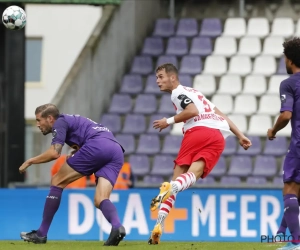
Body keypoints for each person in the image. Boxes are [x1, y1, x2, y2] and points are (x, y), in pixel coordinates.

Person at [148, 63, 252, 244]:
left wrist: (168, 121)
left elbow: (192, 111)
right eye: (157, 78)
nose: (158, 81)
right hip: (217, 135)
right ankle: (159, 224)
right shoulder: (196, 93)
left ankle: (160, 222)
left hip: (197, 132)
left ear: (173, 77)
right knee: (191, 176)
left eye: (161, 77)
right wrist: (240, 135)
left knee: (175, 181)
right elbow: (222, 116)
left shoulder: (177, 93)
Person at [19, 104, 126, 246]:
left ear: (50, 118)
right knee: (100, 199)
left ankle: (41, 234)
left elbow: (54, 153)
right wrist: (78, 151)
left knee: (57, 181)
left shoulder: (59, 122)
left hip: (98, 145)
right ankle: (117, 226)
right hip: (116, 149)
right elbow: (89, 134)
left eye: (39, 120)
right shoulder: (71, 120)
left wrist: (30, 161)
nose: (38, 124)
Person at [267, 37, 300, 250]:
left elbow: (286, 115)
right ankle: (284, 234)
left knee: (289, 188)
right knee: (297, 192)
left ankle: (296, 242)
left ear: (289, 60)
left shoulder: (289, 83)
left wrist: (273, 130)